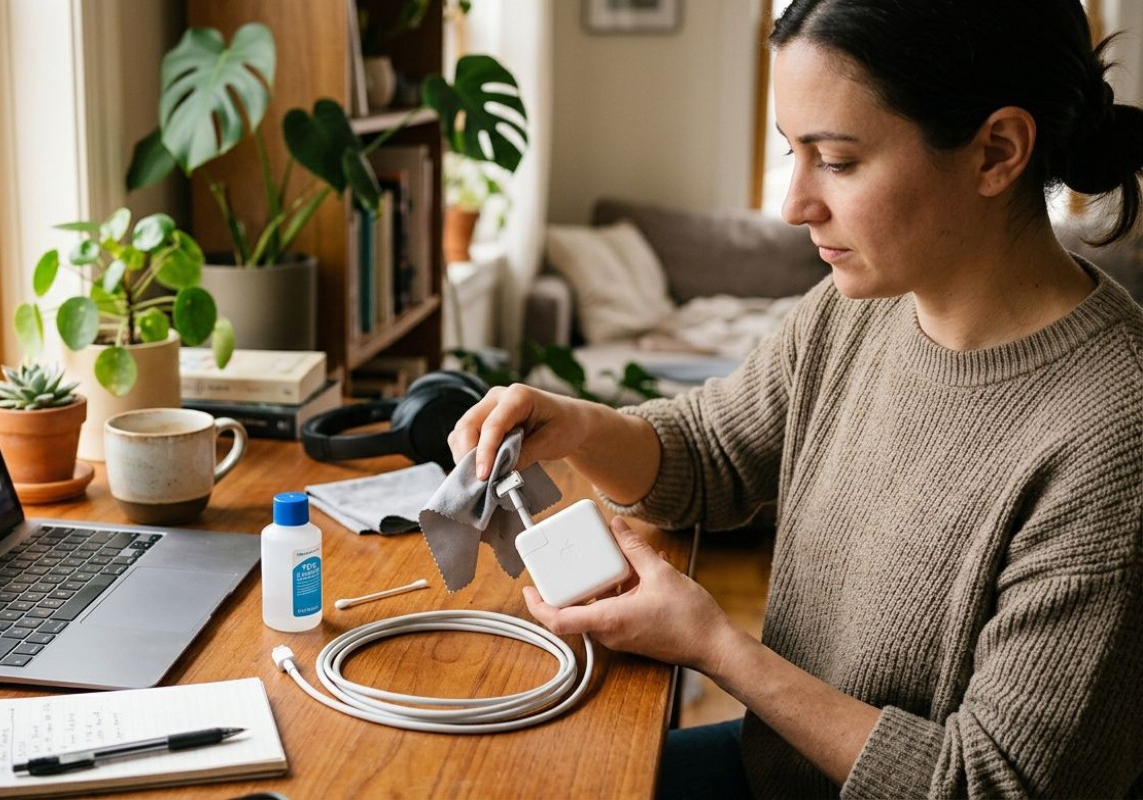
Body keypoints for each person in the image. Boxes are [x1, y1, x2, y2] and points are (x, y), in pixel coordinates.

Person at [449, 1, 1143, 797]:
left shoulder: (1114, 433)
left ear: (997, 151)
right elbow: (712, 455)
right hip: (777, 770)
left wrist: (715, 646)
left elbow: (987, 784)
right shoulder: (860, 308)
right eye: (791, 152)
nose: (793, 204)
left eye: (837, 161)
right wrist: (575, 424)